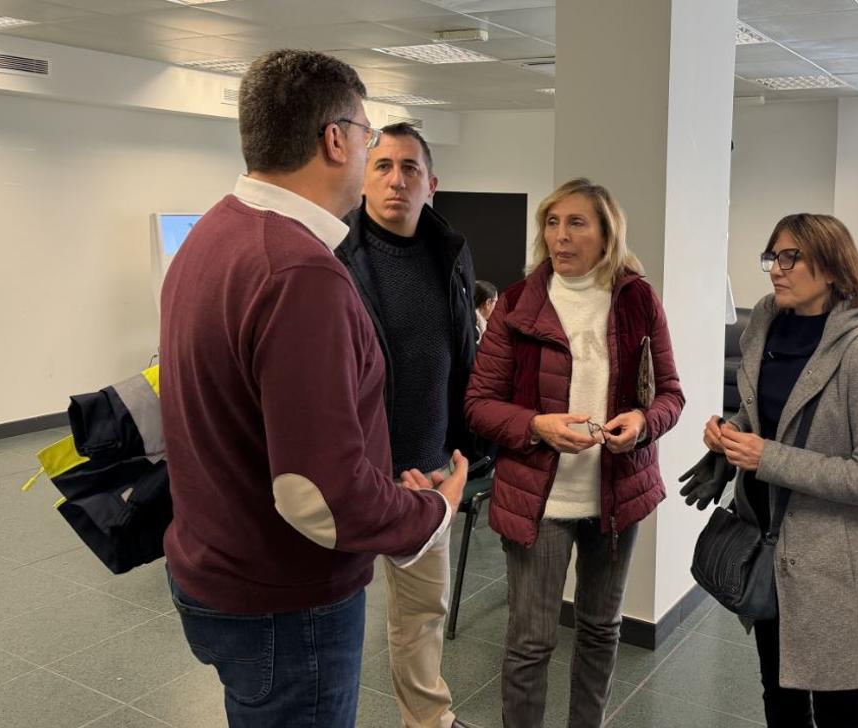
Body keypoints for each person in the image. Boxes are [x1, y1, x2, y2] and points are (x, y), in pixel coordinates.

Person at [159, 50, 466, 727]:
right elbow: (317, 498)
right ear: (335, 139)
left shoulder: (214, 235)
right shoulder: (300, 272)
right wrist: (431, 512)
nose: (370, 155)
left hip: (216, 569)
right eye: (366, 137)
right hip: (284, 602)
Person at [465, 178, 685, 728]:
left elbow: (671, 395)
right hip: (540, 501)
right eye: (553, 223)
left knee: (600, 629)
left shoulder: (638, 299)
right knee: (530, 642)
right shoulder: (518, 305)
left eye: (577, 223)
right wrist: (537, 424)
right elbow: (479, 404)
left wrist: (643, 421)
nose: (560, 237)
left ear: (607, 232)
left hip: (617, 495)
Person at [702, 213, 858, 728]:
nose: (776, 269)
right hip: (770, 546)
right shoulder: (765, 326)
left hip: (833, 561)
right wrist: (730, 435)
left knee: (837, 706)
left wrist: (766, 457)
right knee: (779, 693)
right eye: (774, 256)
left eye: (792, 257)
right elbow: (766, 413)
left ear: (833, 268)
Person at [336, 122, 478, 728]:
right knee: (333, 607)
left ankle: (427, 720)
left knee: (423, 610)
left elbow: (463, 354)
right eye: (384, 165)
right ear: (363, 178)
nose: (397, 179)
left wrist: (465, 448)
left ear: (432, 184)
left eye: (410, 168)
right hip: (354, 470)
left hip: (429, 469)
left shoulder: (452, 254)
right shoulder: (334, 257)